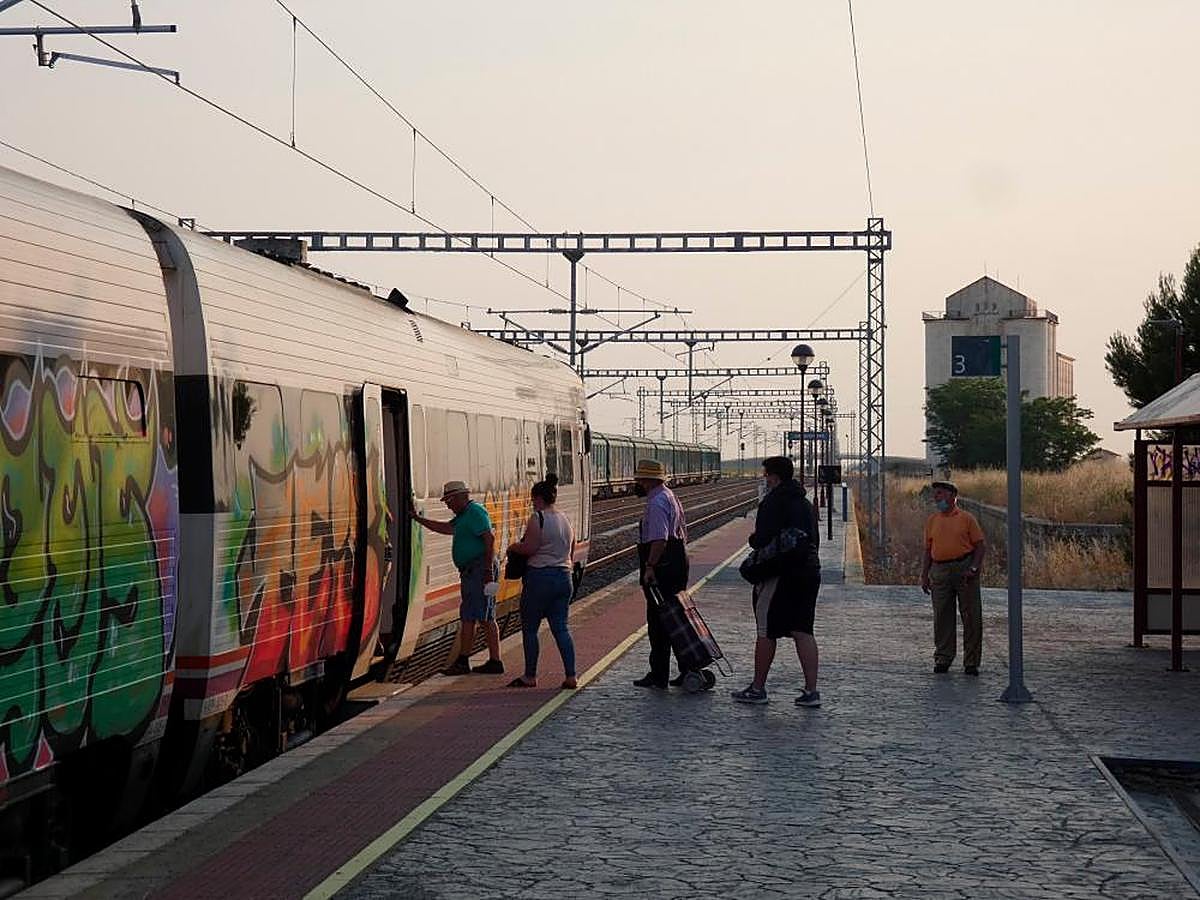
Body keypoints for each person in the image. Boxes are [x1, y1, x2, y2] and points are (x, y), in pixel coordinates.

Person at [732, 456, 822, 707]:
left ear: (775, 476)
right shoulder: (804, 502)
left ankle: (757, 688)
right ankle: (811, 691)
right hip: (809, 570)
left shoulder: (773, 502)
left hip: (780, 574)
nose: (765, 479)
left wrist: (753, 540)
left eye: (766, 474)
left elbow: (762, 539)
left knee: (766, 630)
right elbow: (813, 538)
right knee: (803, 630)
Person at [412, 480, 504, 676]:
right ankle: (469, 660)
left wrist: (487, 570)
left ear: (461, 497)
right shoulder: (463, 516)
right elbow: (446, 528)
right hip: (472, 572)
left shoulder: (475, 512)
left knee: (483, 616)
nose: (448, 505)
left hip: (479, 570)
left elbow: (489, 539)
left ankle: (489, 661)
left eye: (449, 500)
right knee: (472, 616)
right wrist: (418, 520)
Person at [504, 474, 578, 690]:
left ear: (538, 498)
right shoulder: (564, 518)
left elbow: (530, 548)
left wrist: (513, 547)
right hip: (564, 577)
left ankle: (530, 676)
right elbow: (571, 549)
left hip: (540, 578)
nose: (532, 503)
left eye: (532, 499)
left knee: (530, 629)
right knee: (561, 628)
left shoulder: (538, 518)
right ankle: (571, 675)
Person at [631, 458, 693, 690]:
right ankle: (686, 668)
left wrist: (650, 566)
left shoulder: (657, 502)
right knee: (675, 617)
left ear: (647, 481)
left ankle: (659, 675)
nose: (637, 483)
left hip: (663, 566)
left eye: (639, 479)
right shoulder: (670, 496)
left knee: (658, 621)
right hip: (677, 562)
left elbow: (659, 539)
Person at [920, 480, 986, 676]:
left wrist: (974, 568)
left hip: (964, 569)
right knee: (942, 616)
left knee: (971, 616)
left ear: (952, 496)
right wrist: (924, 575)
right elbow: (928, 550)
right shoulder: (932, 520)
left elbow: (980, 546)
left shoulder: (967, 519)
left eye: (940, 493)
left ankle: (971, 662)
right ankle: (943, 658)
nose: (936, 497)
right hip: (940, 570)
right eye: (935, 494)